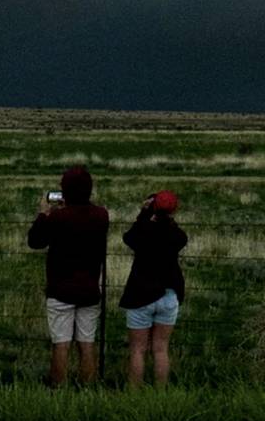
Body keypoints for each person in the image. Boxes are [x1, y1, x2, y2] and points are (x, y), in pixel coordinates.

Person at [27, 166, 109, 386]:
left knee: (61, 344)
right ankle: (87, 389)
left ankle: (58, 390)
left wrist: (44, 214)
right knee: (87, 343)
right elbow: (84, 217)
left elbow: (35, 241)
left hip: (60, 288)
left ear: (65, 191)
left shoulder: (57, 218)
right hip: (90, 288)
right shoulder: (101, 215)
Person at [119, 190, 187, 389]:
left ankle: (134, 395)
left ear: (152, 208)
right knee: (160, 349)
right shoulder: (177, 235)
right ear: (174, 211)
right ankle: (160, 393)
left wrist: (143, 214)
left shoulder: (143, 232)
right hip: (168, 294)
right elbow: (180, 236)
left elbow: (129, 238)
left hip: (141, 293)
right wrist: (169, 219)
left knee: (138, 350)